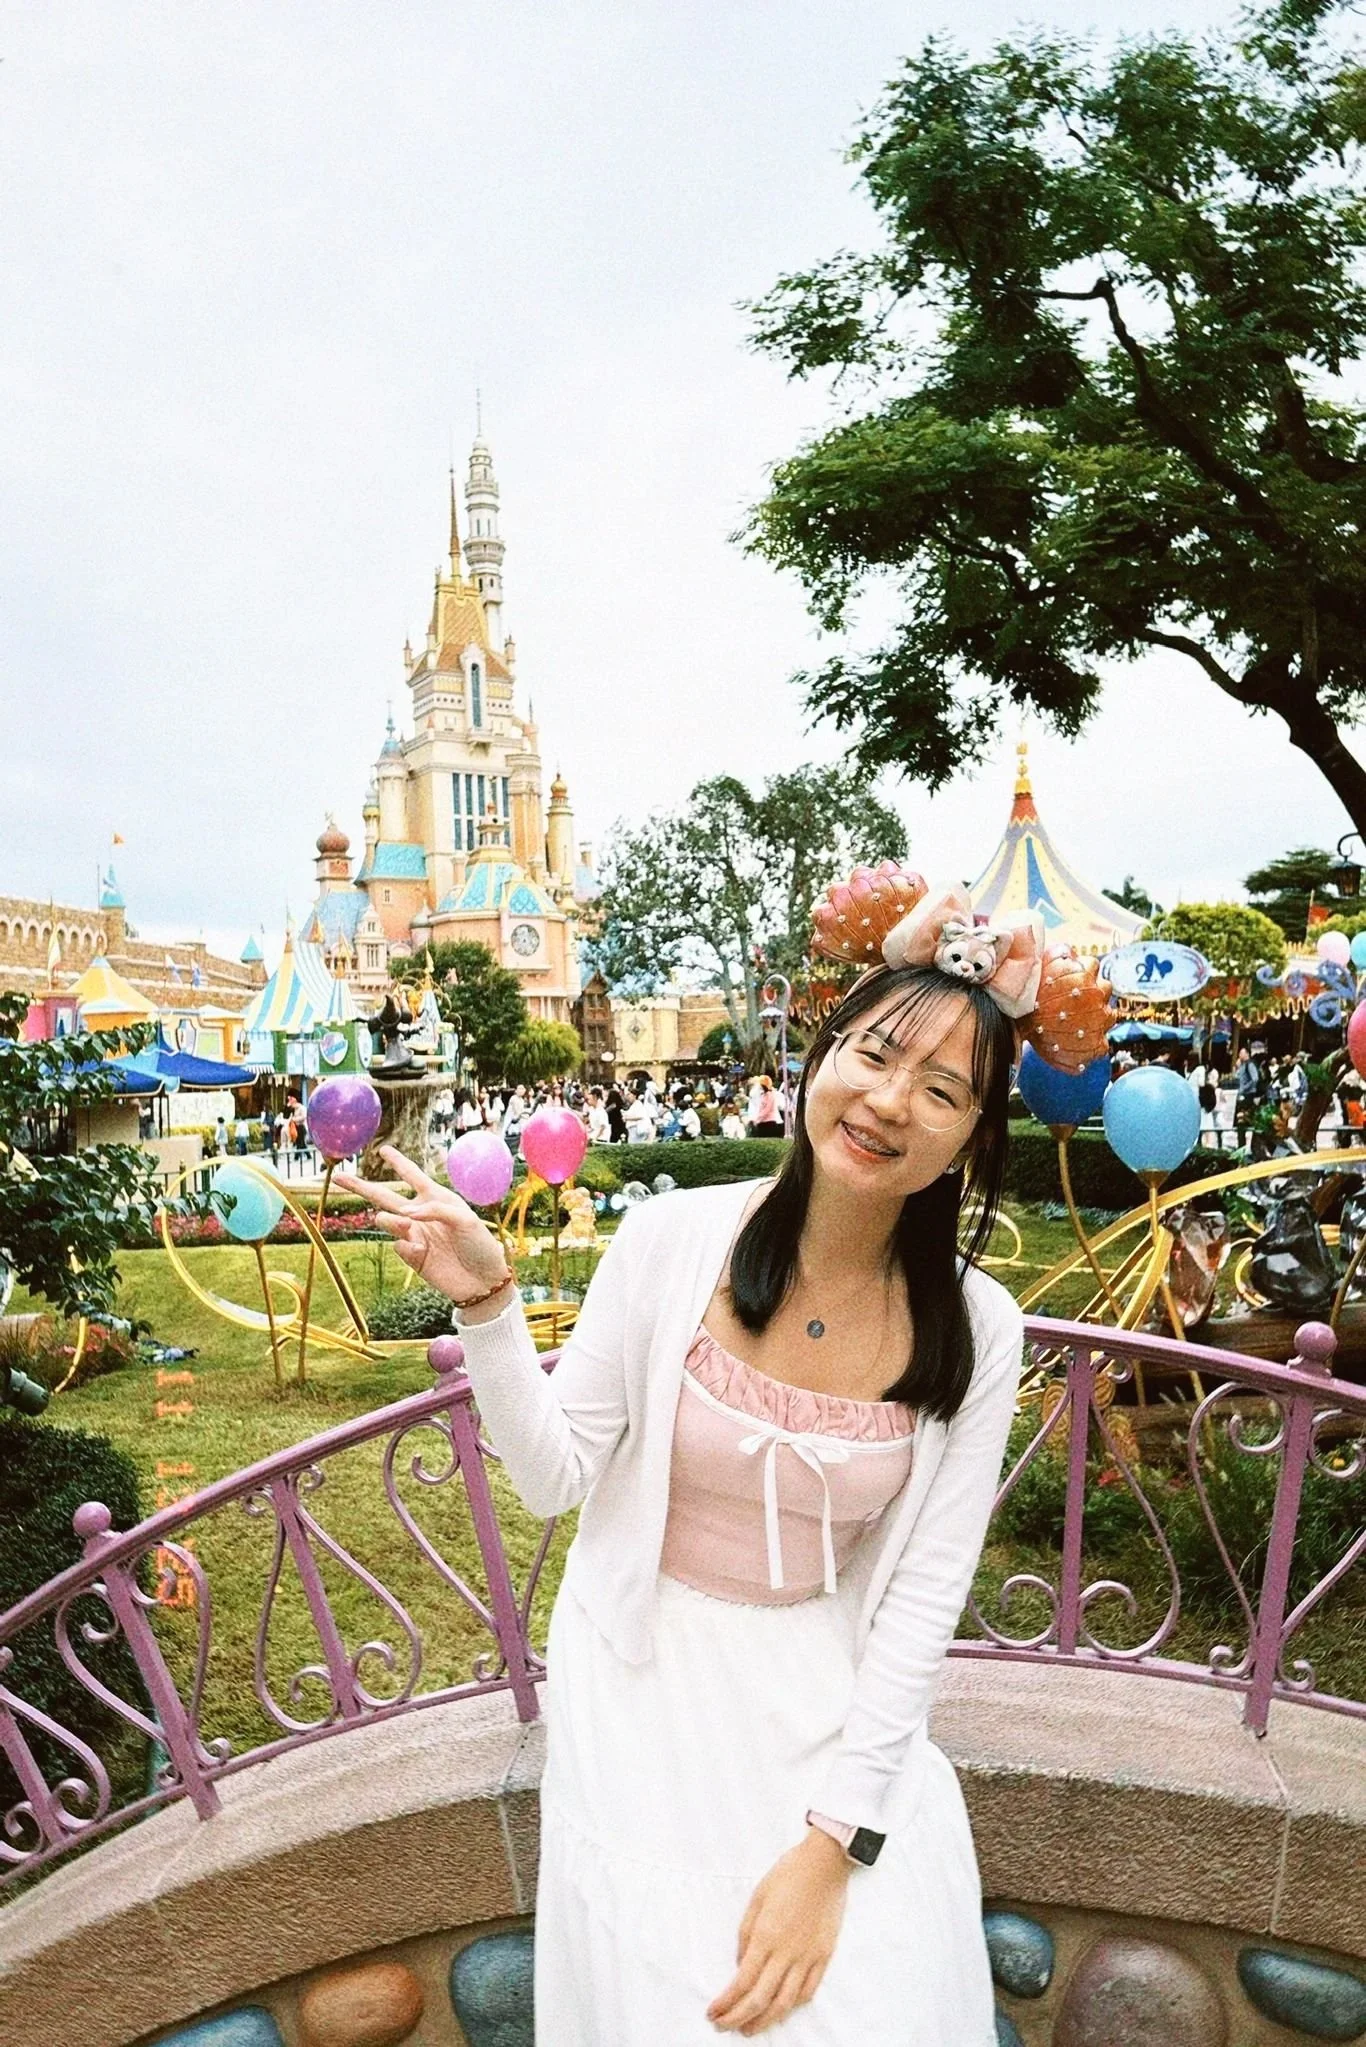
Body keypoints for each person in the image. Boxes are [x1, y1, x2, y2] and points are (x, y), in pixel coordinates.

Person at [336, 863, 1043, 2044]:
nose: (887, 1101)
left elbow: (923, 1601)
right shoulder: (669, 1242)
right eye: (871, 1054)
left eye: (940, 1088)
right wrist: (490, 1308)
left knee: (867, 2001)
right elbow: (558, 1475)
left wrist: (835, 1848)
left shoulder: (980, 1328)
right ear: (819, 1058)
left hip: (832, 1708)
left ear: (972, 1133)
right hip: (645, 1694)